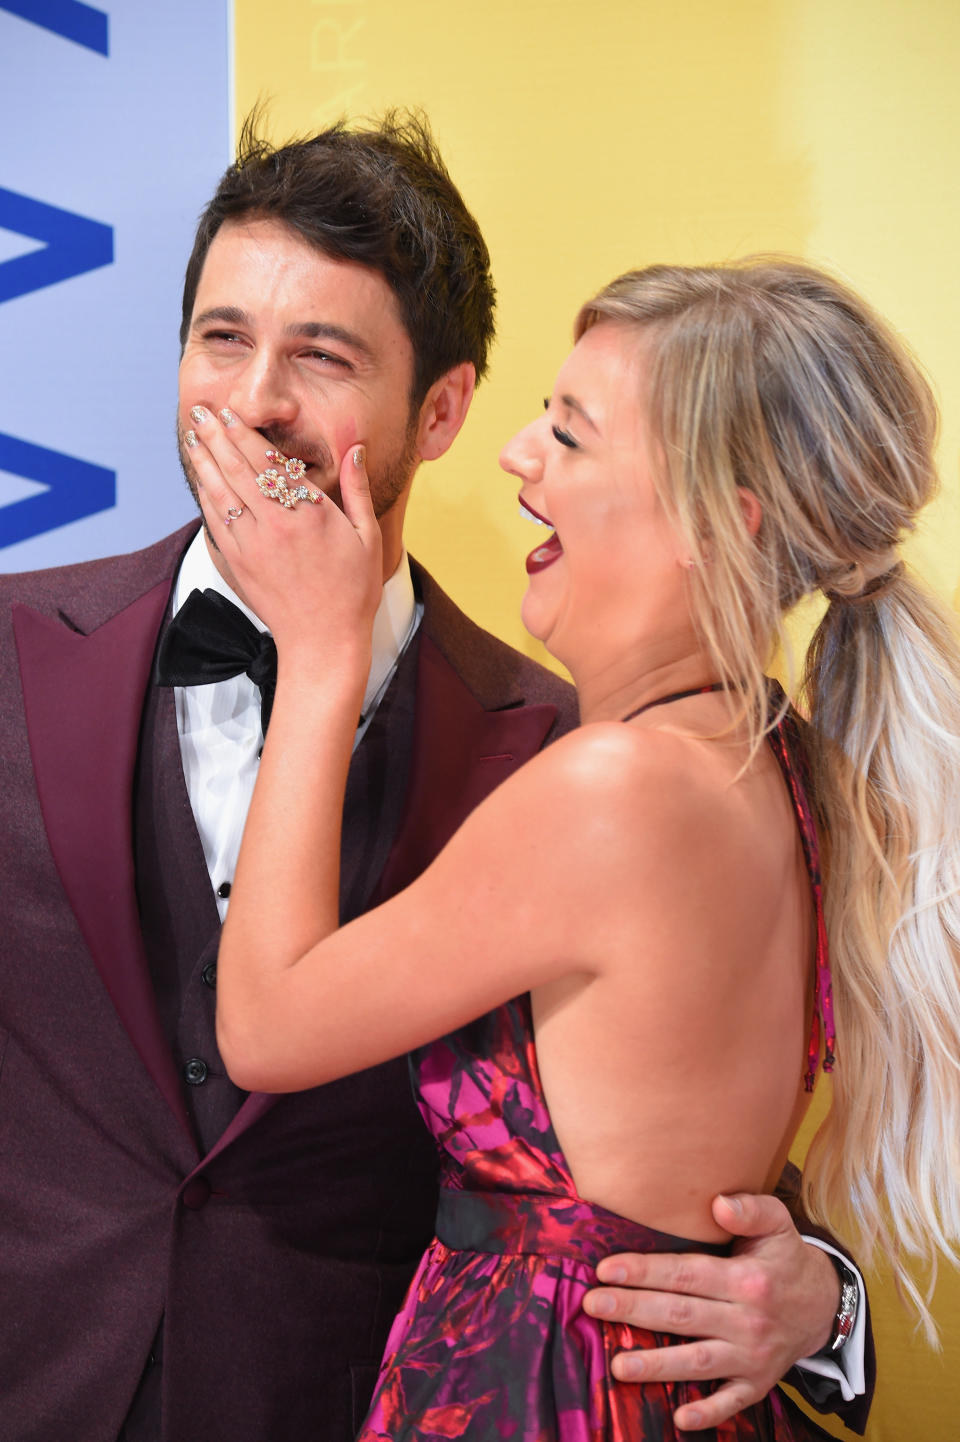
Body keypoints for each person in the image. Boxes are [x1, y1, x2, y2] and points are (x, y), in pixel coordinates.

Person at [0, 108, 864, 1441]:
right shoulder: (11, 650)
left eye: (322, 355)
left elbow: (667, 1143)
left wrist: (819, 1298)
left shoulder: (566, 744)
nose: (256, 400)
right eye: (221, 339)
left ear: (444, 406)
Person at [198, 255, 960, 1437]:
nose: (517, 455)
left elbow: (264, 1023)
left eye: (571, 432)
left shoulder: (615, 789)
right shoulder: (793, 775)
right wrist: (821, 1293)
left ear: (718, 522)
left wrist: (320, 644)